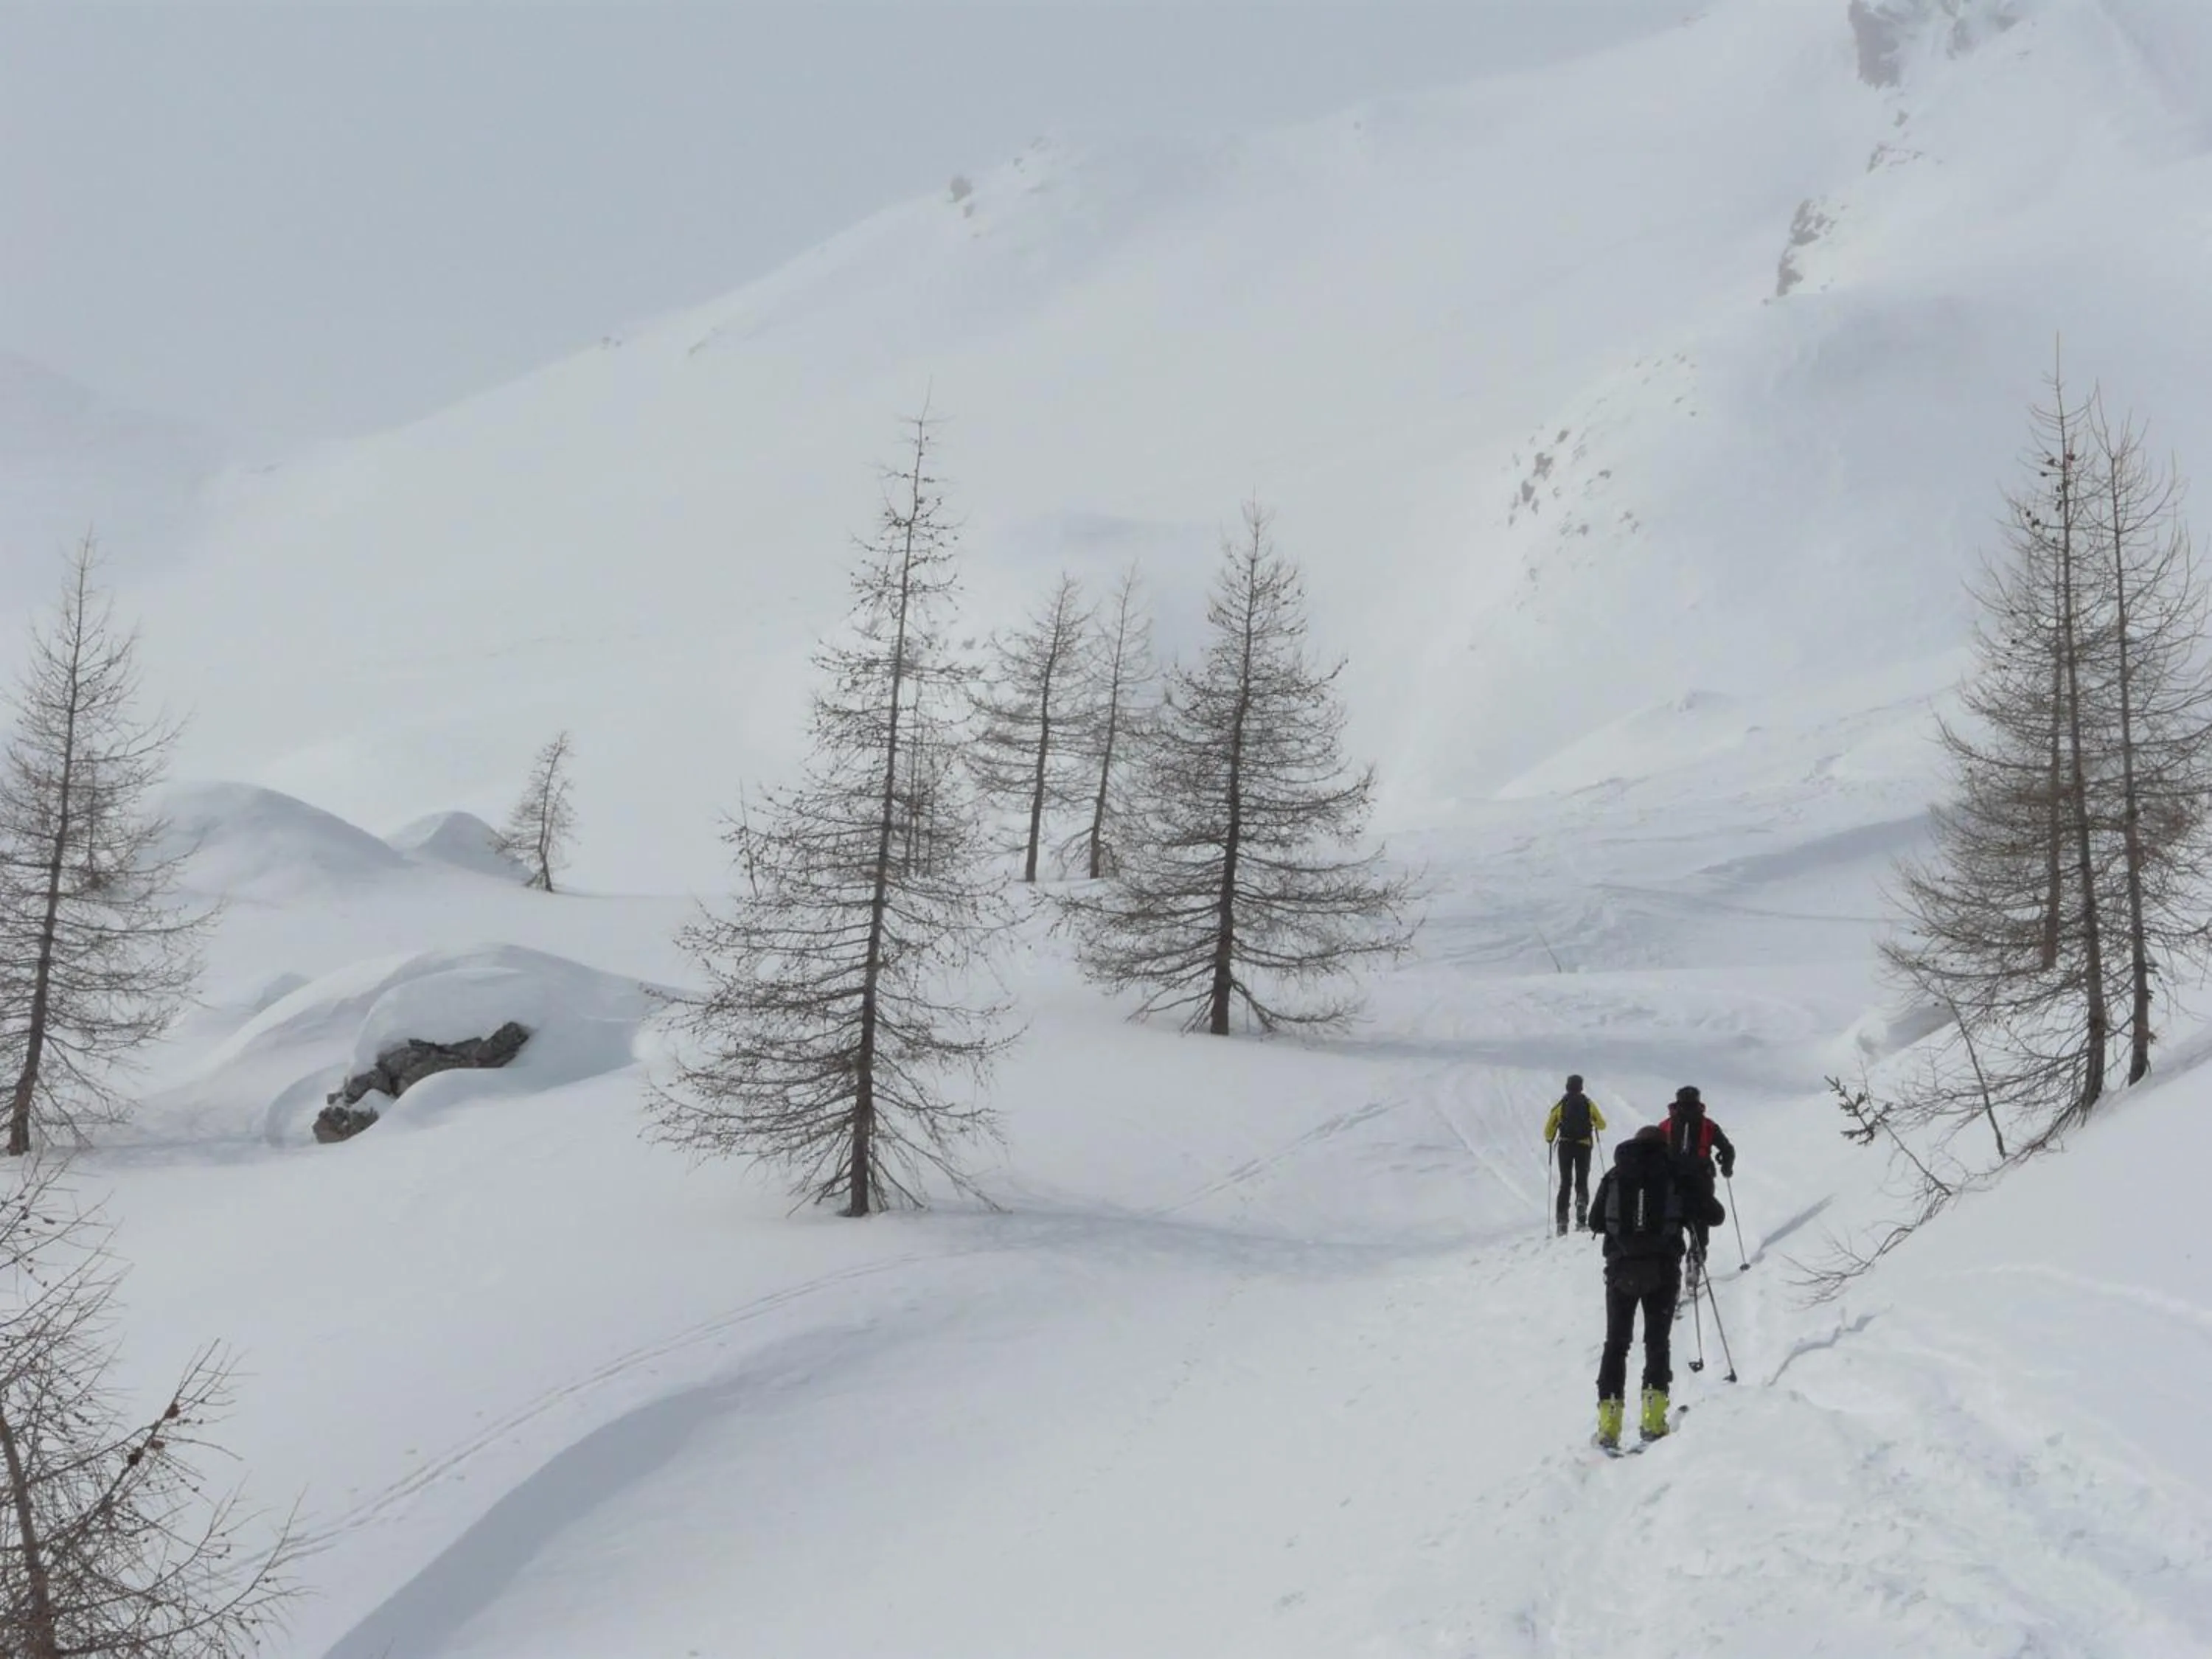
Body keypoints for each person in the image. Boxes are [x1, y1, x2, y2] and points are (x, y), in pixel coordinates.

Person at [1588, 1124, 1725, 1449]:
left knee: (1616, 1344)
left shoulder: (1615, 1174)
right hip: (1662, 1270)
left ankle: (1609, 1427)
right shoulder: (1675, 1173)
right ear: (1664, 1145)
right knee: (1656, 1342)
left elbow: (1595, 1221)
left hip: (1620, 1270)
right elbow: (1715, 1216)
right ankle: (1653, 1420)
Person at [1663, 1085, 1736, 1273]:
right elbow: (1727, 1149)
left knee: (1672, 1222)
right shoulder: (1708, 1125)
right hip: (1701, 1180)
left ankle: (1671, 1267)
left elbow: (1651, 1150)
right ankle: (1697, 1254)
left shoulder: (1666, 1125)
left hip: (1672, 1182)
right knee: (1700, 1220)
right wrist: (1726, 1166)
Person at [1542, 1074, 1607, 1235]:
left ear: (1567, 1086)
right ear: (1581, 1087)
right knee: (1582, 1180)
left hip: (1565, 1145)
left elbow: (1548, 1132)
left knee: (1565, 1182)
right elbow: (1602, 1124)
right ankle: (1581, 1215)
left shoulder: (1561, 1104)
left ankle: (1562, 1223)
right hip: (1584, 1145)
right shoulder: (1588, 1103)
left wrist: (1551, 1138)